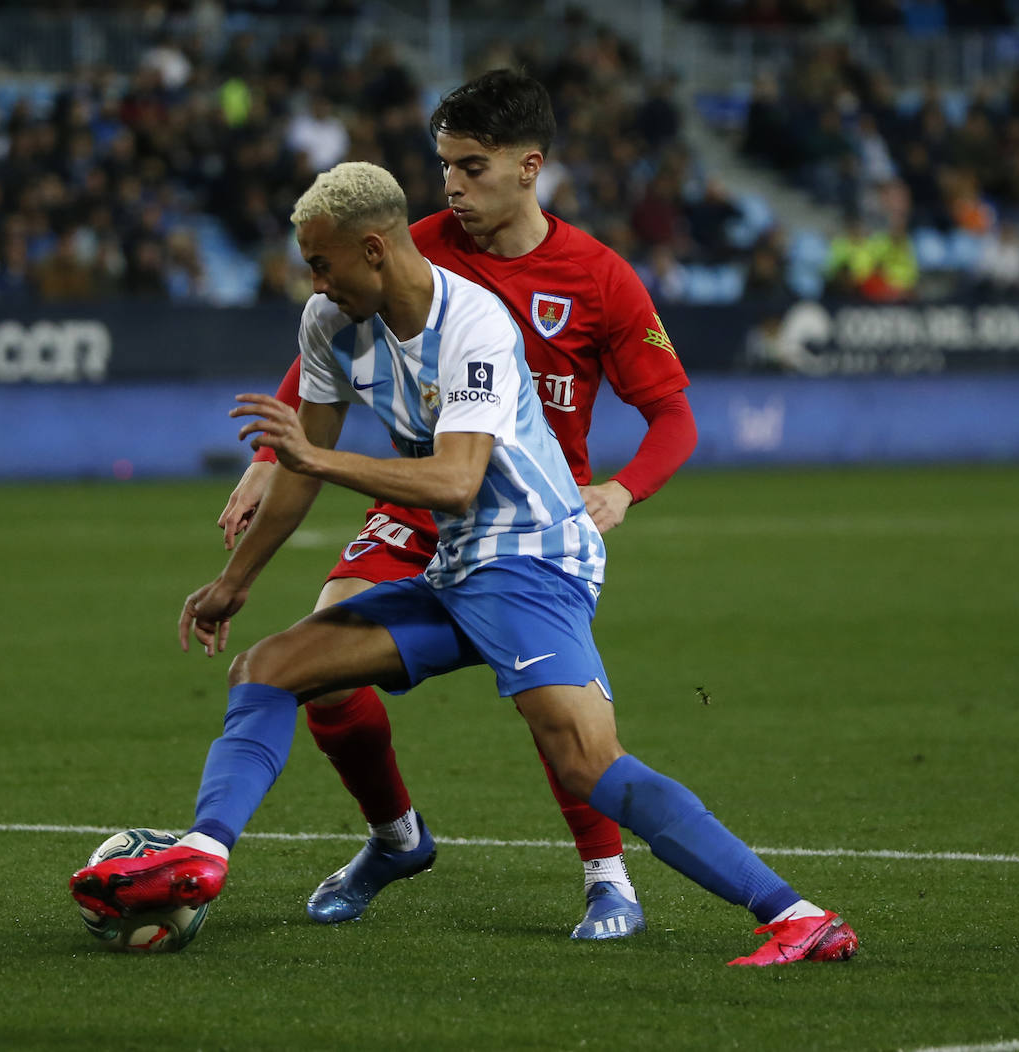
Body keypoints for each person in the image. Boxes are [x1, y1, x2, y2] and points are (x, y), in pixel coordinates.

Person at [70, 161, 859, 968]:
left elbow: (454, 478)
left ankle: (796, 916)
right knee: (268, 665)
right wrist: (233, 583)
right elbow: (302, 466)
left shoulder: (475, 323)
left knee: (587, 762)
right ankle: (205, 852)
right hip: (456, 563)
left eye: (321, 262)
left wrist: (316, 456)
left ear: (374, 250)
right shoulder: (326, 321)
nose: (312, 280)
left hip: (532, 560)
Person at [218, 70, 699, 940]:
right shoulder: (408, 246)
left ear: (529, 167)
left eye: (471, 167)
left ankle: (607, 876)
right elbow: (328, 336)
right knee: (319, 664)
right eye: (444, 166)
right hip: (420, 497)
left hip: (526, 521)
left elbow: (673, 415)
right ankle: (394, 836)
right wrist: (268, 454)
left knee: (553, 709)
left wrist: (625, 488)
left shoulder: (600, 278)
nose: (452, 187)